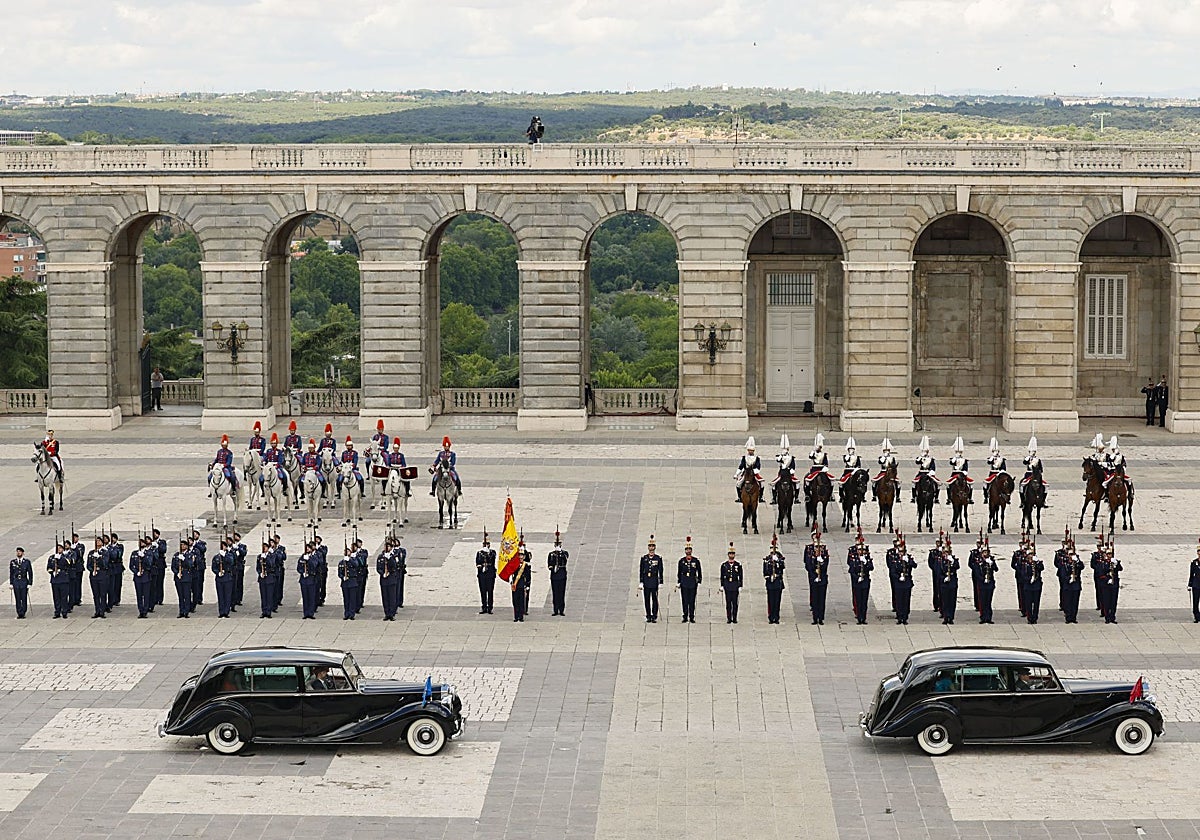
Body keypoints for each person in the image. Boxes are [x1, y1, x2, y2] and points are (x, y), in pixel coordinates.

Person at [804, 530, 830, 625]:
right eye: (816, 547)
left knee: (822, 600)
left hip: (822, 579)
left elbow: (826, 566)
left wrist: (821, 561)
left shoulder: (824, 555)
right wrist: (815, 561)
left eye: (819, 547)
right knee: (815, 599)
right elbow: (809, 566)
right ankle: (815, 618)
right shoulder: (811, 555)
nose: (817, 549)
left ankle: (821, 618)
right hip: (814, 579)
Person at [847, 528, 873, 625]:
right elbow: (850, 565)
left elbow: (871, 567)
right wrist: (856, 576)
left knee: (864, 601)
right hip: (856, 578)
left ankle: (863, 617)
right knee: (858, 599)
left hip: (865, 580)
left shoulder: (866, 554)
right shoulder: (852, 551)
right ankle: (858, 615)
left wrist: (865, 562)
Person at [969, 539, 998, 624]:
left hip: (990, 583)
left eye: (987, 552)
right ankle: (983, 617)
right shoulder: (979, 561)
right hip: (982, 584)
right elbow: (977, 572)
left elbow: (996, 569)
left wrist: (992, 563)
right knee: (982, 601)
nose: (986, 554)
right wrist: (982, 579)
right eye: (984, 552)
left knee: (988, 601)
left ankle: (988, 617)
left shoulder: (990, 560)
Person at [892, 536, 917, 626]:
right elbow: (893, 571)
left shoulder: (908, 559)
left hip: (907, 583)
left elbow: (915, 565)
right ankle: (899, 617)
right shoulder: (895, 560)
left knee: (906, 601)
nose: (901, 553)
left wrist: (908, 561)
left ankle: (905, 617)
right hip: (899, 583)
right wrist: (898, 577)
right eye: (900, 552)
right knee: (899, 601)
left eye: (902, 552)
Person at [1018, 539, 1044, 625]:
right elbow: (1022, 574)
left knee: (1036, 603)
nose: (1031, 556)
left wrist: (1037, 562)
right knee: (1028, 602)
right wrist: (1029, 579)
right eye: (1030, 554)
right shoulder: (1025, 564)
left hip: (1036, 585)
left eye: (1032, 554)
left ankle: (1035, 617)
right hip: (1028, 586)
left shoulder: (1037, 563)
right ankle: (1030, 618)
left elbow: (1041, 568)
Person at [638, 536, 664, 623]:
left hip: (654, 580)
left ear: (655, 548)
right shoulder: (644, 558)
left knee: (654, 598)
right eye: (650, 547)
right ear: (648, 548)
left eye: (653, 547)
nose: (651, 549)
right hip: (646, 580)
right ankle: (648, 615)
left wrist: (661, 582)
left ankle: (654, 615)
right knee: (647, 599)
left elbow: (661, 570)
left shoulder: (658, 558)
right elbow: (641, 570)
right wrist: (641, 582)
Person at [677, 536, 701, 623]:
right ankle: (685, 615)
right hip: (684, 581)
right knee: (684, 599)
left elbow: (699, 571)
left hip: (692, 581)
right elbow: (679, 572)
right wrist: (679, 581)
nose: (688, 551)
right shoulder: (682, 561)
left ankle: (691, 616)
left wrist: (699, 580)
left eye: (689, 549)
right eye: (687, 549)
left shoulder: (695, 561)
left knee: (692, 600)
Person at [763, 534, 786, 624]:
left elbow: (782, 567)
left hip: (778, 582)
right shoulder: (767, 559)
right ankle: (770, 616)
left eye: (775, 548)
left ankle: (776, 617)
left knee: (777, 601)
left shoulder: (780, 559)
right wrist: (769, 578)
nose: (773, 550)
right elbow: (765, 572)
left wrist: (777, 562)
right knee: (770, 601)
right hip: (770, 583)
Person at [770, 434, 799, 505]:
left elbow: (793, 466)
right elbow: (778, 460)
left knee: (797, 483)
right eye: (783, 450)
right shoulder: (780, 457)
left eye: (786, 450)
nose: (784, 451)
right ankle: (774, 498)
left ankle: (796, 497)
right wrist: (781, 456)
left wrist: (792, 470)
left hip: (789, 474)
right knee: (774, 484)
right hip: (782, 474)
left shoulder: (791, 458)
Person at [377, 536, 401, 621]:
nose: (386, 548)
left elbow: (395, 566)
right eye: (385, 546)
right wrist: (382, 573)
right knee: (385, 597)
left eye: (388, 546)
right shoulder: (380, 556)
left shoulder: (394, 556)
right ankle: (386, 613)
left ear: (391, 548)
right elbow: (378, 567)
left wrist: (389, 558)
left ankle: (392, 613)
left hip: (391, 579)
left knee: (392, 597)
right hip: (384, 579)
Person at [1061, 538, 1084, 624]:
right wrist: (1068, 578)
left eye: (1072, 554)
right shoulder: (1065, 564)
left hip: (1076, 585)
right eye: (1070, 554)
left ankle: (1073, 617)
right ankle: (1068, 617)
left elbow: (1082, 566)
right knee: (1068, 602)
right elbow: (1063, 574)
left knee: (1075, 602)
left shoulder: (1077, 563)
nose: (1071, 556)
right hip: (1068, 585)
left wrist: (1077, 560)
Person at [937, 538, 960, 625]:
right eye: (945, 553)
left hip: (952, 582)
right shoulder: (941, 561)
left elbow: (957, 566)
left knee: (952, 601)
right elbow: (939, 571)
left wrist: (952, 561)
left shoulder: (953, 560)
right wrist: (944, 578)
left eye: (947, 553)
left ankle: (951, 617)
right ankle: (946, 617)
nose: (946, 554)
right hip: (944, 583)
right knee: (945, 601)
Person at [85, 537, 109, 619]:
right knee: (96, 594)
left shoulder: (105, 552)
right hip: (94, 575)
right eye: (96, 541)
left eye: (99, 541)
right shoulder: (91, 552)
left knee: (102, 594)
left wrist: (100, 557)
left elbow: (105, 564)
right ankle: (97, 610)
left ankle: (102, 611)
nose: (97, 542)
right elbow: (88, 565)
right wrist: (92, 570)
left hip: (102, 574)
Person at [736, 436, 765, 503]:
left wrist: (754, 471)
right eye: (749, 450)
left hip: (754, 473)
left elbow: (758, 467)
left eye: (752, 450)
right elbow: (741, 466)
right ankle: (739, 497)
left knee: (762, 483)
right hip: (746, 473)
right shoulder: (744, 458)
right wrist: (737, 474)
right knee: (738, 484)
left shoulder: (757, 458)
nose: (750, 452)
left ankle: (760, 497)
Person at [720, 543, 743, 624]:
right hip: (727, 585)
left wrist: (740, 585)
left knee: (735, 603)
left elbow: (740, 576)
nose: (731, 555)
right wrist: (722, 585)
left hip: (735, 585)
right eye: (730, 554)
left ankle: (735, 617)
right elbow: (722, 576)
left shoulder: (738, 565)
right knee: (728, 603)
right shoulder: (724, 565)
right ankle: (729, 618)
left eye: (733, 554)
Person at [548, 529, 569, 617]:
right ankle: (555, 609)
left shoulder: (564, 553)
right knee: (555, 593)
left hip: (562, 575)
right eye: (556, 545)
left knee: (561, 593)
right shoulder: (551, 554)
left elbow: (565, 559)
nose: (557, 546)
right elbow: (549, 565)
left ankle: (561, 609)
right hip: (554, 576)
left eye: (559, 545)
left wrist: (560, 552)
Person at [130, 537, 152, 619]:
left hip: (146, 576)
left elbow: (149, 564)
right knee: (139, 595)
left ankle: (145, 611)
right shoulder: (134, 553)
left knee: (146, 595)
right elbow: (131, 565)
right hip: (138, 577)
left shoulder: (149, 553)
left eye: (142, 543)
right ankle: (140, 610)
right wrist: (136, 572)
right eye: (140, 542)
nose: (141, 544)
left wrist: (144, 557)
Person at [946, 436, 973, 505]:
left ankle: (969, 498)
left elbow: (965, 468)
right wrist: (954, 459)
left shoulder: (964, 460)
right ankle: (949, 498)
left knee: (971, 484)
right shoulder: (953, 459)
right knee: (948, 485)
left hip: (962, 475)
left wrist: (964, 472)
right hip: (954, 474)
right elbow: (951, 463)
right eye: (957, 452)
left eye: (960, 452)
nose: (959, 453)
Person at [170, 539, 193, 619]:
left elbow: (190, 565)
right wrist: (177, 573)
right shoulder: (176, 555)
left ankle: (186, 611)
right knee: (180, 595)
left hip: (186, 577)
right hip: (178, 577)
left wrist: (184, 559)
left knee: (186, 595)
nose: (182, 546)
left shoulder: (190, 555)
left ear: (187, 546)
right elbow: (173, 566)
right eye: (181, 545)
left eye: (184, 545)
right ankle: (181, 611)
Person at [912, 435, 938, 503]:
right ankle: (913, 496)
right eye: (923, 451)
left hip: (928, 473)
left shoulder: (931, 459)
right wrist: (920, 458)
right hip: (921, 473)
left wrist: (931, 472)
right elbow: (917, 462)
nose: (925, 452)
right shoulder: (920, 458)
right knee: (914, 483)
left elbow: (933, 467)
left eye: (926, 451)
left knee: (936, 483)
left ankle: (936, 497)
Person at [511, 538, 531, 622]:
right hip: (515, 584)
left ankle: (521, 616)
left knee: (521, 601)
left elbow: (528, 576)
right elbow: (511, 572)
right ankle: (516, 616)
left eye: (522, 556)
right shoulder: (514, 564)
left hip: (522, 584)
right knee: (515, 601)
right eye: (519, 555)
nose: (520, 557)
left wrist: (527, 586)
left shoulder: (525, 565)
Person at [48, 542, 70, 619]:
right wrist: (52, 571)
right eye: (57, 548)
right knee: (56, 597)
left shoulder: (65, 557)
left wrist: (60, 559)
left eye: (60, 548)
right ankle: (57, 611)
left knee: (64, 597)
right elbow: (48, 567)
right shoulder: (51, 557)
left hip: (63, 579)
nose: (59, 549)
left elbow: (68, 564)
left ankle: (64, 612)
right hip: (55, 579)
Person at [476, 531, 496, 615]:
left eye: (487, 543)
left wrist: (487, 552)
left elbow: (492, 559)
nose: (486, 545)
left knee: (490, 591)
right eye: (484, 543)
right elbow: (477, 563)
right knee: (483, 591)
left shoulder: (492, 552)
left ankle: (490, 607)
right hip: (482, 575)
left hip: (490, 574)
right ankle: (484, 606)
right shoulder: (479, 553)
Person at [872, 438, 898, 502]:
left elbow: (894, 465)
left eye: (888, 450)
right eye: (885, 451)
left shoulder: (892, 458)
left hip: (890, 472)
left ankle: (898, 496)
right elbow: (879, 462)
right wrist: (884, 459)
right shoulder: (881, 457)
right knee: (874, 482)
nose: (886, 452)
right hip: (883, 472)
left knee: (898, 482)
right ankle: (874, 495)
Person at [298, 542, 319, 619]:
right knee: (305, 597)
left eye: (309, 548)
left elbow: (315, 565)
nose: (307, 549)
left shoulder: (314, 557)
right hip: (304, 580)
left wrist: (309, 560)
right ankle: (306, 613)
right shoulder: (302, 557)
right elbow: (299, 567)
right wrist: (302, 572)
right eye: (306, 548)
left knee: (311, 597)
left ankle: (311, 613)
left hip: (311, 579)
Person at [256, 540, 276, 619]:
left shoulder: (272, 555)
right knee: (263, 596)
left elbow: (272, 564)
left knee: (269, 596)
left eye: (265, 547)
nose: (264, 549)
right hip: (262, 578)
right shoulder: (259, 556)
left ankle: (268, 611)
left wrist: (266, 558)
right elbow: (258, 567)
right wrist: (260, 572)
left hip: (270, 578)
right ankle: (264, 611)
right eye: (263, 547)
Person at [10, 547, 32, 619]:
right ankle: (19, 612)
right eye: (17, 552)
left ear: (23, 553)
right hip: (16, 581)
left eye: (20, 552)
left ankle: (23, 612)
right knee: (18, 598)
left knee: (24, 597)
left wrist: (30, 583)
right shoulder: (13, 562)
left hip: (24, 580)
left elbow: (30, 572)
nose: (18, 553)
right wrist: (11, 583)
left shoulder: (26, 562)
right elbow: (11, 573)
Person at [337, 547, 357, 621]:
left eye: (348, 551)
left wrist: (350, 560)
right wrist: (342, 577)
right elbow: (339, 573)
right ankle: (346, 613)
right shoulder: (341, 562)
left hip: (352, 581)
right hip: (345, 583)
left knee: (352, 599)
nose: (346, 552)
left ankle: (352, 614)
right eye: (345, 551)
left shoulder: (353, 560)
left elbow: (356, 565)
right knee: (346, 599)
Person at [1189, 541, 1200, 623]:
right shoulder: (1194, 562)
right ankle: (1196, 616)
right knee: (1195, 601)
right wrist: (1190, 584)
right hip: (1196, 585)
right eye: (1199, 552)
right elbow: (1191, 574)